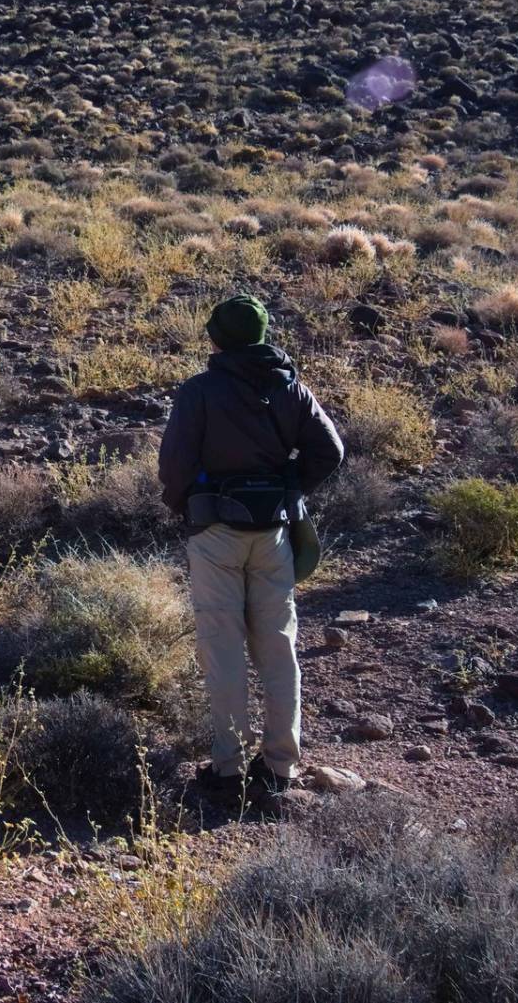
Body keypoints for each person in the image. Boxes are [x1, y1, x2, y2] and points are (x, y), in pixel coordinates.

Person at [158, 293, 344, 801]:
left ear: (218, 338)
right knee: (279, 649)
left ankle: (227, 769)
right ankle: (280, 767)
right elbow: (330, 451)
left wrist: (190, 506)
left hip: (215, 532)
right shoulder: (291, 388)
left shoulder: (199, 391)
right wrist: (288, 488)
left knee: (223, 651)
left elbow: (173, 465)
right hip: (275, 534)